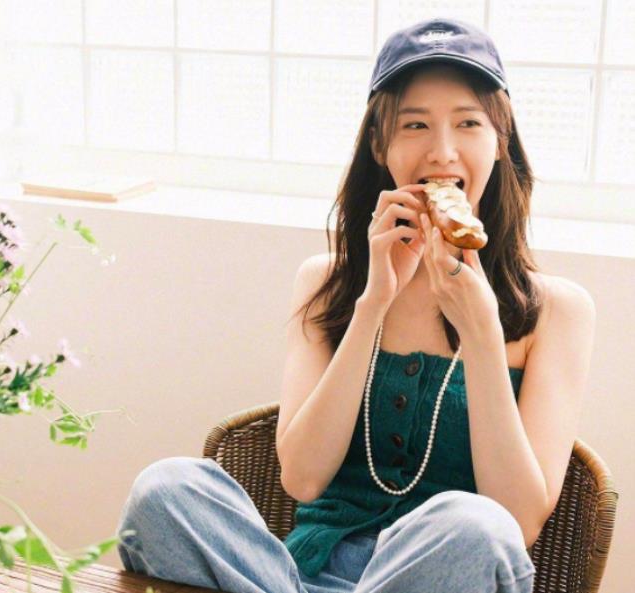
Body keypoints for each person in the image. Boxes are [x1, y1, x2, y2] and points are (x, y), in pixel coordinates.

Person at [115, 17, 596, 593]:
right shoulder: (326, 282)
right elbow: (303, 478)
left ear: (500, 141)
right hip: (290, 577)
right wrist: (373, 303)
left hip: (442, 575)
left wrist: (483, 335)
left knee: (476, 525)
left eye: (468, 123)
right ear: (379, 144)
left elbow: (517, 521)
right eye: (415, 124)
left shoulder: (557, 311)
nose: (443, 151)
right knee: (166, 489)